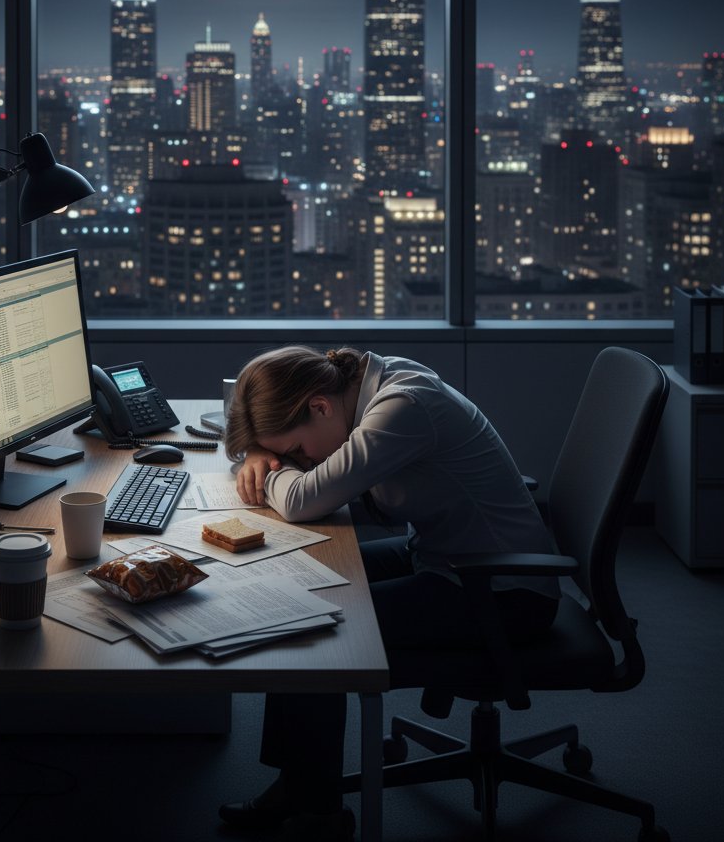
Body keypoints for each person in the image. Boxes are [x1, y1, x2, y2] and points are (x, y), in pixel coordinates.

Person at [217, 346, 560, 842]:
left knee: (312, 630)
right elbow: (309, 484)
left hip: (503, 590)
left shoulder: (403, 407)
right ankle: (298, 785)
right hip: (445, 557)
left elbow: (302, 499)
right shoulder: (365, 385)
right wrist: (259, 451)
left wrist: (270, 469)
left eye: (297, 449)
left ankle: (320, 814)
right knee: (300, 586)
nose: (301, 461)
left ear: (319, 406)